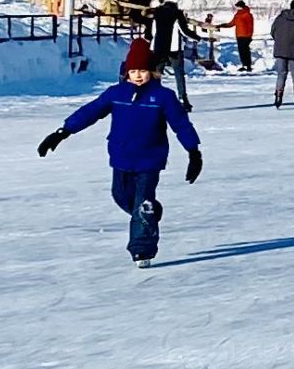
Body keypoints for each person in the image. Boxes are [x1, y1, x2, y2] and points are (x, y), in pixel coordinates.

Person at [36, 37, 202, 267]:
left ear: (153, 71)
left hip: (149, 159)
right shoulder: (117, 93)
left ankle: (142, 250)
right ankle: (149, 213)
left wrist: (193, 151)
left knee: (142, 205)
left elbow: (181, 124)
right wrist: (63, 131)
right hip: (121, 157)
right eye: (133, 70)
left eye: (143, 70)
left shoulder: (163, 97)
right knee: (121, 197)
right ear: (126, 72)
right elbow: (91, 112)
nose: (138, 75)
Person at [152, 0, 205, 109]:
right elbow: (183, 30)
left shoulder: (157, 12)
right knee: (178, 73)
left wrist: (152, 43)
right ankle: (182, 98)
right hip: (174, 47)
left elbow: (152, 30)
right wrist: (197, 38)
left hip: (159, 46)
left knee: (157, 73)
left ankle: (153, 96)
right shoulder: (177, 13)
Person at [217, 0, 255, 72]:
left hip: (246, 36)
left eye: (238, 6)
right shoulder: (237, 15)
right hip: (239, 35)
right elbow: (231, 23)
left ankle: (248, 65)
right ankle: (244, 65)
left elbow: (250, 26)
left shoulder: (247, 14)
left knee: (245, 51)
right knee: (241, 51)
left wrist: (250, 36)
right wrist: (222, 25)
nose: (237, 8)